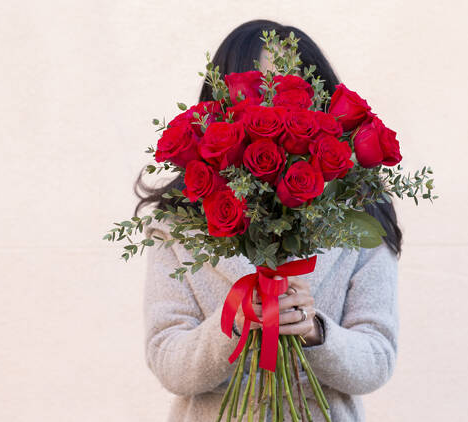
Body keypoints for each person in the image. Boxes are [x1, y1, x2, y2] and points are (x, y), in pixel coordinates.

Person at [136, 19, 401, 422]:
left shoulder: (357, 217)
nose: (276, 107)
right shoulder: (179, 224)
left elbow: (377, 358)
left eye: (293, 91)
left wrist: (315, 332)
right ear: (222, 101)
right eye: (260, 91)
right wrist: (234, 324)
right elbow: (166, 358)